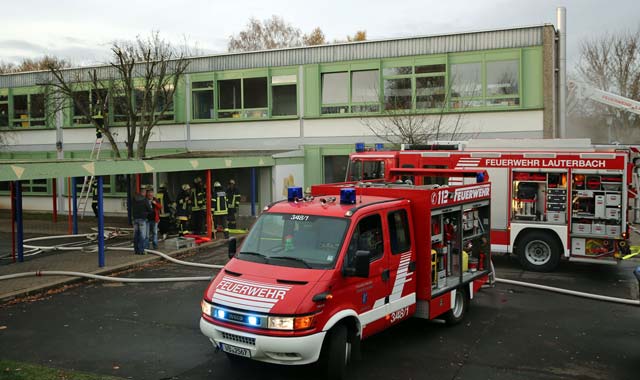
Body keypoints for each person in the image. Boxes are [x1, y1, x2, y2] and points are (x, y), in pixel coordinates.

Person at [132, 190, 152, 255]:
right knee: (142, 235)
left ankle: (136, 250)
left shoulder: (134, 199)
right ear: (144, 193)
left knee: (136, 235)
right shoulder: (145, 200)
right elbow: (150, 210)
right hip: (142, 219)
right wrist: (147, 213)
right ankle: (141, 250)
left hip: (135, 218)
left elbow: (131, 207)